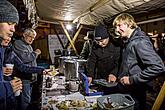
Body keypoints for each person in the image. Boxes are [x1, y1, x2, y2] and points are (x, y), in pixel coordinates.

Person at [112, 13, 165, 110]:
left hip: (135, 91)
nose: (117, 30)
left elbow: (158, 67)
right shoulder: (128, 41)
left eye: (119, 25)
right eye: (116, 27)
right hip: (127, 89)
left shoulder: (140, 42)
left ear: (129, 24)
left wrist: (132, 79)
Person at [0, 0, 22, 109]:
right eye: (10, 23)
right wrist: (8, 87)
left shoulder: (4, 50)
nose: (13, 29)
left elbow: (21, 65)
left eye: (14, 25)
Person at [12, 28, 42, 110]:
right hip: (24, 77)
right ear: (24, 35)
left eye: (33, 38)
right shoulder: (18, 43)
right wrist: (36, 53)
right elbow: (24, 58)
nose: (32, 39)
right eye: (30, 37)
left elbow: (32, 62)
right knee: (25, 100)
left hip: (30, 77)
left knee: (28, 99)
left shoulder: (28, 45)